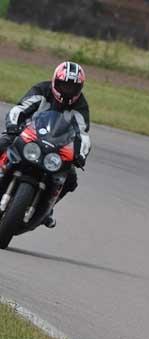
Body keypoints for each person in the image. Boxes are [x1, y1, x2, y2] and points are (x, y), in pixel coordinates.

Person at [0, 61, 90, 228]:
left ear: (79, 88)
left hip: (56, 148)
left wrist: (80, 155)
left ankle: (47, 209)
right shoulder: (42, 89)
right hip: (28, 136)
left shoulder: (80, 106)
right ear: (55, 81)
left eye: (72, 87)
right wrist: (13, 126)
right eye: (64, 85)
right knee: (3, 143)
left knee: (70, 179)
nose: (67, 90)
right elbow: (20, 108)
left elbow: (83, 134)